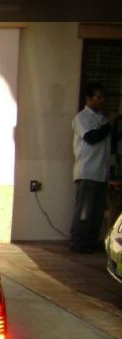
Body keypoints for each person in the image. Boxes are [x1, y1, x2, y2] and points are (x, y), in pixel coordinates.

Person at [71, 82, 116, 253]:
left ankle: (91, 240)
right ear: (89, 98)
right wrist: (109, 125)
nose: (102, 100)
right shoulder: (81, 118)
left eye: (103, 97)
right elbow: (91, 137)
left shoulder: (102, 119)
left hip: (100, 172)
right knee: (84, 209)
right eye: (98, 97)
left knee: (97, 210)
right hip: (87, 170)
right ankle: (78, 240)